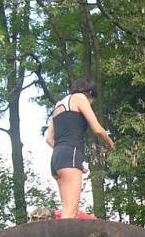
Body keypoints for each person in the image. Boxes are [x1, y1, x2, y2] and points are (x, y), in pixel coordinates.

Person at [45, 78, 115, 219]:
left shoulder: (58, 106)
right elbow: (98, 129)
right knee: (70, 212)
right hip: (70, 156)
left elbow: (48, 139)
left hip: (57, 158)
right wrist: (110, 144)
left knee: (68, 210)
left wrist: (64, 150)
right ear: (90, 92)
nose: (91, 104)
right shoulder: (79, 98)